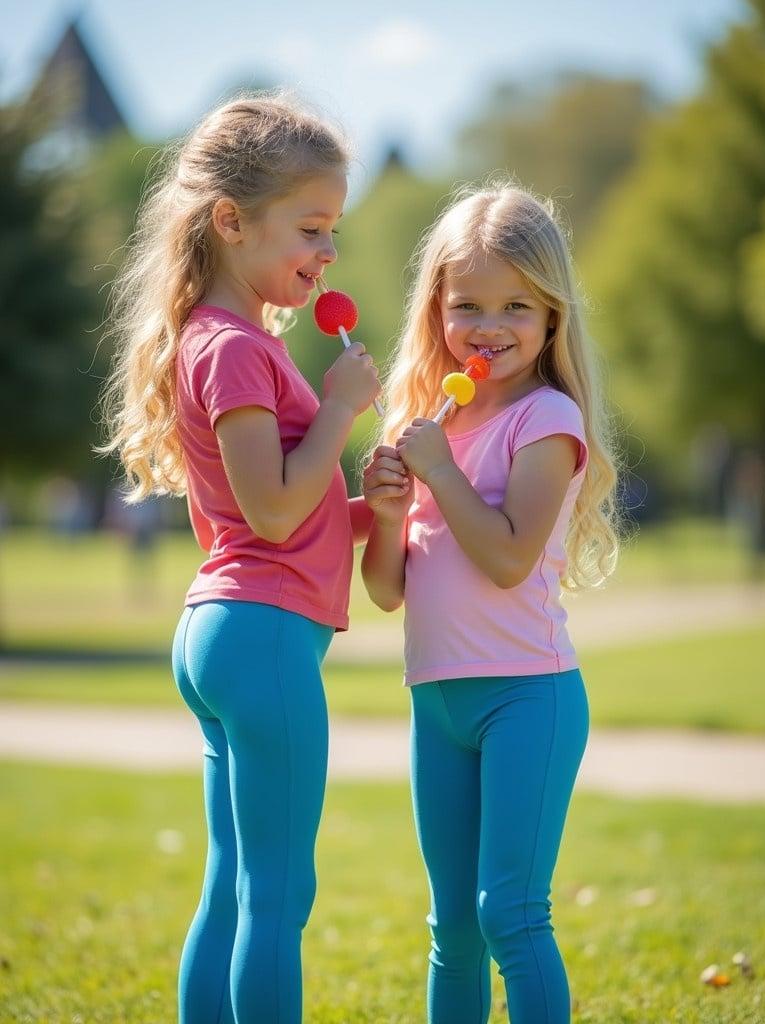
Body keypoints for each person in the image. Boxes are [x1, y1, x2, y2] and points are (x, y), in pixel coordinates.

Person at [98, 93, 380, 1024]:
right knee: (277, 897)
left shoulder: (234, 342)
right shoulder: (230, 349)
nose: (327, 253)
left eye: (332, 230)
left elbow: (292, 511)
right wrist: (339, 411)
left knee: (233, 889)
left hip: (229, 631)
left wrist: (370, 506)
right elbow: (268, 508)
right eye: (310, 228)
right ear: (231, 222)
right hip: (261, 639)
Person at [361, 183, 620, 1024]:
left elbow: (509, 557)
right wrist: (392, 514)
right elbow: (388, 590)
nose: (490, 326)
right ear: (436, 310)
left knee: (508, 913)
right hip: (435, 700)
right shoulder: (430, 422)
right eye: (467, 303)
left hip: (525, 697)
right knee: (453, 930)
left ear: (551, 319)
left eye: (517, 305)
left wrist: (437, 473)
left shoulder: (547, 418)